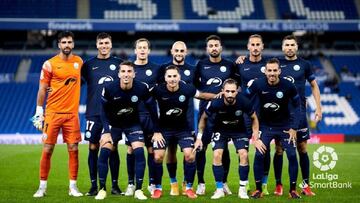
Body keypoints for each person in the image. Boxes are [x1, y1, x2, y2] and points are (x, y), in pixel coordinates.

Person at [95, 61, 160, 200]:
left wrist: (157, 130)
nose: (126, 74)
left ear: (134, 74)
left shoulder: (142, 88)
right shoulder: (109, 88)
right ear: (118, 74)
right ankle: (102, 189)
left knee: (139, 151)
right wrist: (106, 131)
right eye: (123, 71)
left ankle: (138, 190)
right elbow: (103, 111)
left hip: (132, 123)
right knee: (105, 151)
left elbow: (152, 109)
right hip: (114, 125)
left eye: (129, 71)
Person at [151, 65, 217, 199]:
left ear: (179, 77)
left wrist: (220, 95)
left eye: (174, 76)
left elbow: (203, 96)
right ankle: (158, 188)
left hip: (183, 129)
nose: (172, 79)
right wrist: (155, 131)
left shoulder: (187, 88)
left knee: (190, 156)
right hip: (163, 129)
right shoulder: (157, 90)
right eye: (169, 76)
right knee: (157, 157)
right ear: (165, 78)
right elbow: (144, 99)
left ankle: (188, 188)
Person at [32, 31, 83, 198]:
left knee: (73, 149)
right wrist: (39, 112)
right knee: (47, 149)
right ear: (59, 45)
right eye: (64, 42)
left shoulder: (79, 62)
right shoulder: (49, 64)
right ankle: (42, 187)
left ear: (73, 44)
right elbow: (42, 88)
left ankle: (73, 187)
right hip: (52, 113)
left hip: (71, 114)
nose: (67, 45)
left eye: (69, 42)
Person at [271, 35, 322, 196]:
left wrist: (318, 108)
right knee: (279, 149)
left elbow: (314, 86)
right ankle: (278, 185)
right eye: (287, 45)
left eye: (292, 45)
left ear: (297, 47)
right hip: (280, 113)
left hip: (299, 112)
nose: (290, 47)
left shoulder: (304, 64)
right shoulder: (276, 64)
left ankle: (306, 185)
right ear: (282, 47)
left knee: (302, 148)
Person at [194, 78, 260, 199]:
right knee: (217, 155)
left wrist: (255, 134)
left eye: (233, 91)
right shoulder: (216, 102)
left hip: (239, 130)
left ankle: (242, 189)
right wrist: (199, 137)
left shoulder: (244, 101)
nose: (230, 94)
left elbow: (254, 118)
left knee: (244, 155)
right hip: (220, 129)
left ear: (237, 92)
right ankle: (219, 189)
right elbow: (203, 118)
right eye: (227, 91)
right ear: (222, 91)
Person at [246, 58, 301, 199]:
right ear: (265, 71)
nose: (272, 73)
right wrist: (254, 132)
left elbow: (297, 105)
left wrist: (294, 128)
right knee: (259, 154)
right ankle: (258, 190)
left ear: (279, 71)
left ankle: (293, 190)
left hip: (285, 127)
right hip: (265, 126)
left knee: (292, 155)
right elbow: (244, 101)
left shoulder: (288, 85)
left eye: (275, 70)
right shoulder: (257, 84)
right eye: (269, 70)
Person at [81, 32, 123, 196]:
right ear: (97, 45)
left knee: (112, 147)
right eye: (101, 43)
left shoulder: (119, 64)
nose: (104, 46)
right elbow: (76, 83)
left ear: (110, 45)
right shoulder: (88, 65)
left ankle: (114, 185)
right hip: (93, 112)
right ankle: (93, 186)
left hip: (113, 114)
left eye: (107, 43)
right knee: (93, 147)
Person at [194, 35, 236, 195]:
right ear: (207, 48)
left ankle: (224, 182)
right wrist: (209, 96)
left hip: (225, 113)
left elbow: (237, 87)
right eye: (210, 45)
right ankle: (201, 183)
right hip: (206, 113)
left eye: (216, 45)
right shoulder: (200, 65)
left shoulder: (230, 66)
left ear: (221, 47)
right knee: (201, 148)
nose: (213, 48)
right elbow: (196, 89)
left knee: (223, 148)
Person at [124, 38, 161, 196]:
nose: (142, 50)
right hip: (133, 116)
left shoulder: (156, 69)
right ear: (135, 50)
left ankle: (152, 183)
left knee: (151, 149)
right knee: (131, 149)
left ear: (149, 50)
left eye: (145, 47)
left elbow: (160, 91)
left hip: (150, 116)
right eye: (139, 47)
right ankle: (131, 184)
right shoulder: (129, 69)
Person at [160, 41, 197, 195]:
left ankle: (188, 185)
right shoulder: (163, 69)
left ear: (186, 52)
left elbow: (199, 92)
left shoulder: (193, 70)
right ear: (172, 51)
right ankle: (173, 183)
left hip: (186, 121)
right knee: (171, 152)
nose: (179, 53)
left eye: (182, 50)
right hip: (167, 122)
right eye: (177, 50)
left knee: (189, 154)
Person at [235, 34, 270, 194]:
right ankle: (245, 182)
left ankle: (264, 183)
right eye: (252, 45)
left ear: (262, 46)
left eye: (258, 44)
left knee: (264, 150)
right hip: (245, 114)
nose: (255, 47)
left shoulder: (269, 65)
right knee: (243, 150)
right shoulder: (241, 65)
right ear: (248, 47)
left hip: (265, 114)